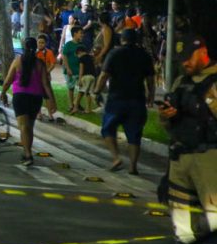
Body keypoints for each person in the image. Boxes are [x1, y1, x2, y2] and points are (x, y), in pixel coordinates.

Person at [159, 35, 217, 243]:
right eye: (181, 59)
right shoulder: (181, 82)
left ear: (202, 52)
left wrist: (209, 100)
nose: (184, 63)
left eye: (188, 57)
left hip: (209, 158)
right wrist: (167, 116)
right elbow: (166, 124)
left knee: (214, 220)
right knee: (182, 227)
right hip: (180, 157)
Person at [95, 29, 155, 174]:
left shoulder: (114, 53)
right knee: (134, 134)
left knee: (108, 129)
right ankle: (133, 166)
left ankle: (116, 158)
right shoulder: (144, 55)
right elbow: (150, 80)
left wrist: (97, 91)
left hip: (117, 98)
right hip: (137, 99)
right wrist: (150, 96)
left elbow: (104, 75)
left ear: (122, 39)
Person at [1, 37, 57, 166]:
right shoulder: (40, 64)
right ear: (35, 48)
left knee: (23, 127)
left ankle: (27, 154)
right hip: (35, 98)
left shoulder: (17, 61)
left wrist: (3, 92)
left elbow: (8, 80)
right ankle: (27, 152)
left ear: (24, 47)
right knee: (29, 127)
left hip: (20, 97)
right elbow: (46, 84)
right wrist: (52, 101)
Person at [62, 26, 84, 113]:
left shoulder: (82, 45)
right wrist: (68, 68)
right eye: (80, 33)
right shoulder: (68, 45)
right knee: (71, 88)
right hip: (70, 70)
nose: (82, 35)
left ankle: (76, 103)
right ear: (75, 34)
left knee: (82, 88)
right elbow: (64, 57)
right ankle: (71, 105)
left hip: (79, 70)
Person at [75, 46, 97, 112]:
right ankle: (88, 109)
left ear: (79, 52)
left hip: (86, 77)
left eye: (77, 55)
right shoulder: (90, 57)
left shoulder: (81, 58)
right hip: (92, 76)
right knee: (88, 93)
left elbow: (81, 70)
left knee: (83, 93)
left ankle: (78, 108)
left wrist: (80, 79)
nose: (78, 57)